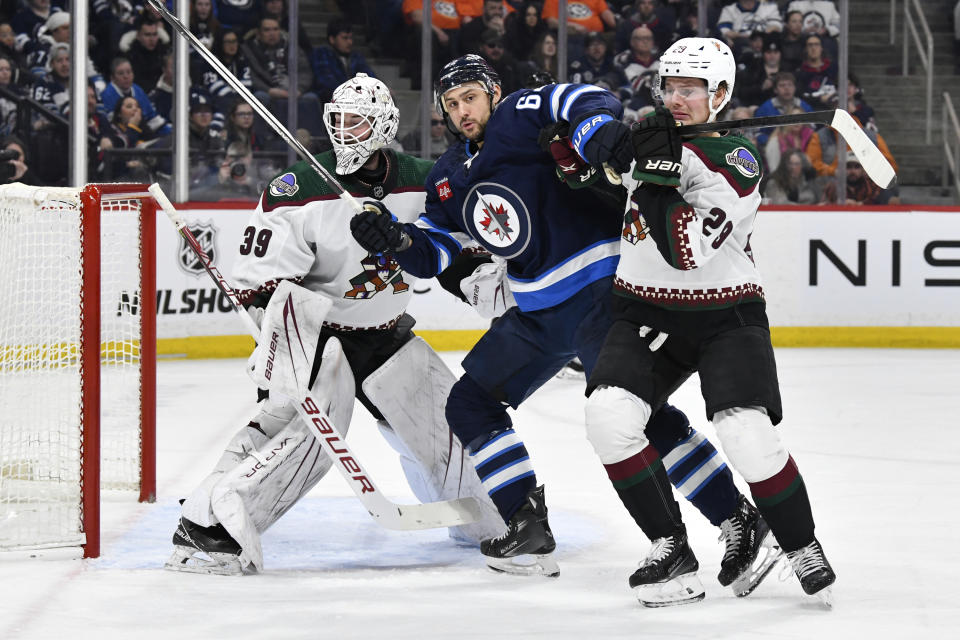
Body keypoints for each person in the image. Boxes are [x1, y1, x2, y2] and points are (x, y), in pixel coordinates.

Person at [348, 54, 778, 592]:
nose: (462, 111)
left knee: (638, 416)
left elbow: (582, 100)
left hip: (601, 292)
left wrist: (596, 129)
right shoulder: (446, 178)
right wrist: (398, 241)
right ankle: (525, 522)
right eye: (452, 104)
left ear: (494, 93)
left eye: (471, 98)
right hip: (535, 313)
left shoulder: (518, 117)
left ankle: (736, 517)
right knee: (470, 402)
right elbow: (435, 253)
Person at [166, 73, 504, 576]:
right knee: (298, 442)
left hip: (387, 334)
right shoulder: (298, 188)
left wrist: (473, 277)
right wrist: (287, 346)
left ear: (384, 124)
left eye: (358, 121)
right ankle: (208, 527)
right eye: (338, 120)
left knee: (449, 426)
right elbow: (262, 282)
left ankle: (488, 516)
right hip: (320, 342)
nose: (346, 131)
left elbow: (446, 251)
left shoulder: (423, 178)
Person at [578, 36, 836, 606]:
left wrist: (653, 176)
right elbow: (602, 194)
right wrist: (591, 161)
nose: (675, 99)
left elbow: (686, 249)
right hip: (645, 309)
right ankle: (671, 547)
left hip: (726, 314)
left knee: (745, 430)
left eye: (690, 89)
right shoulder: (654, 137)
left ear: (719, 94)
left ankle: (799, 543)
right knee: (607, 416)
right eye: (669, 87)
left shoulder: (735, 161)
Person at [310, 18, 377, 104]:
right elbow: (326, 82)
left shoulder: (356, 57)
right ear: (332, 39)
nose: (350, 42)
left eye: (351, 38)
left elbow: (369, 76)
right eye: (345, 38)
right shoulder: (322, 54)